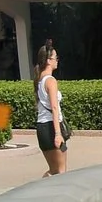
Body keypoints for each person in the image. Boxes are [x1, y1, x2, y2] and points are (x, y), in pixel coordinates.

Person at [33, 41, 67, 176]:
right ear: (48, 60)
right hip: (52, 127)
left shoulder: (39, 80)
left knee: (53, 171)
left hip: (41, 128)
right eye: (55, 58)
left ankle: (38, 192)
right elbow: (54, 107)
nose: (57, 61)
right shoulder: (51, 80)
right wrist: (58, 134)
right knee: (61, 172)